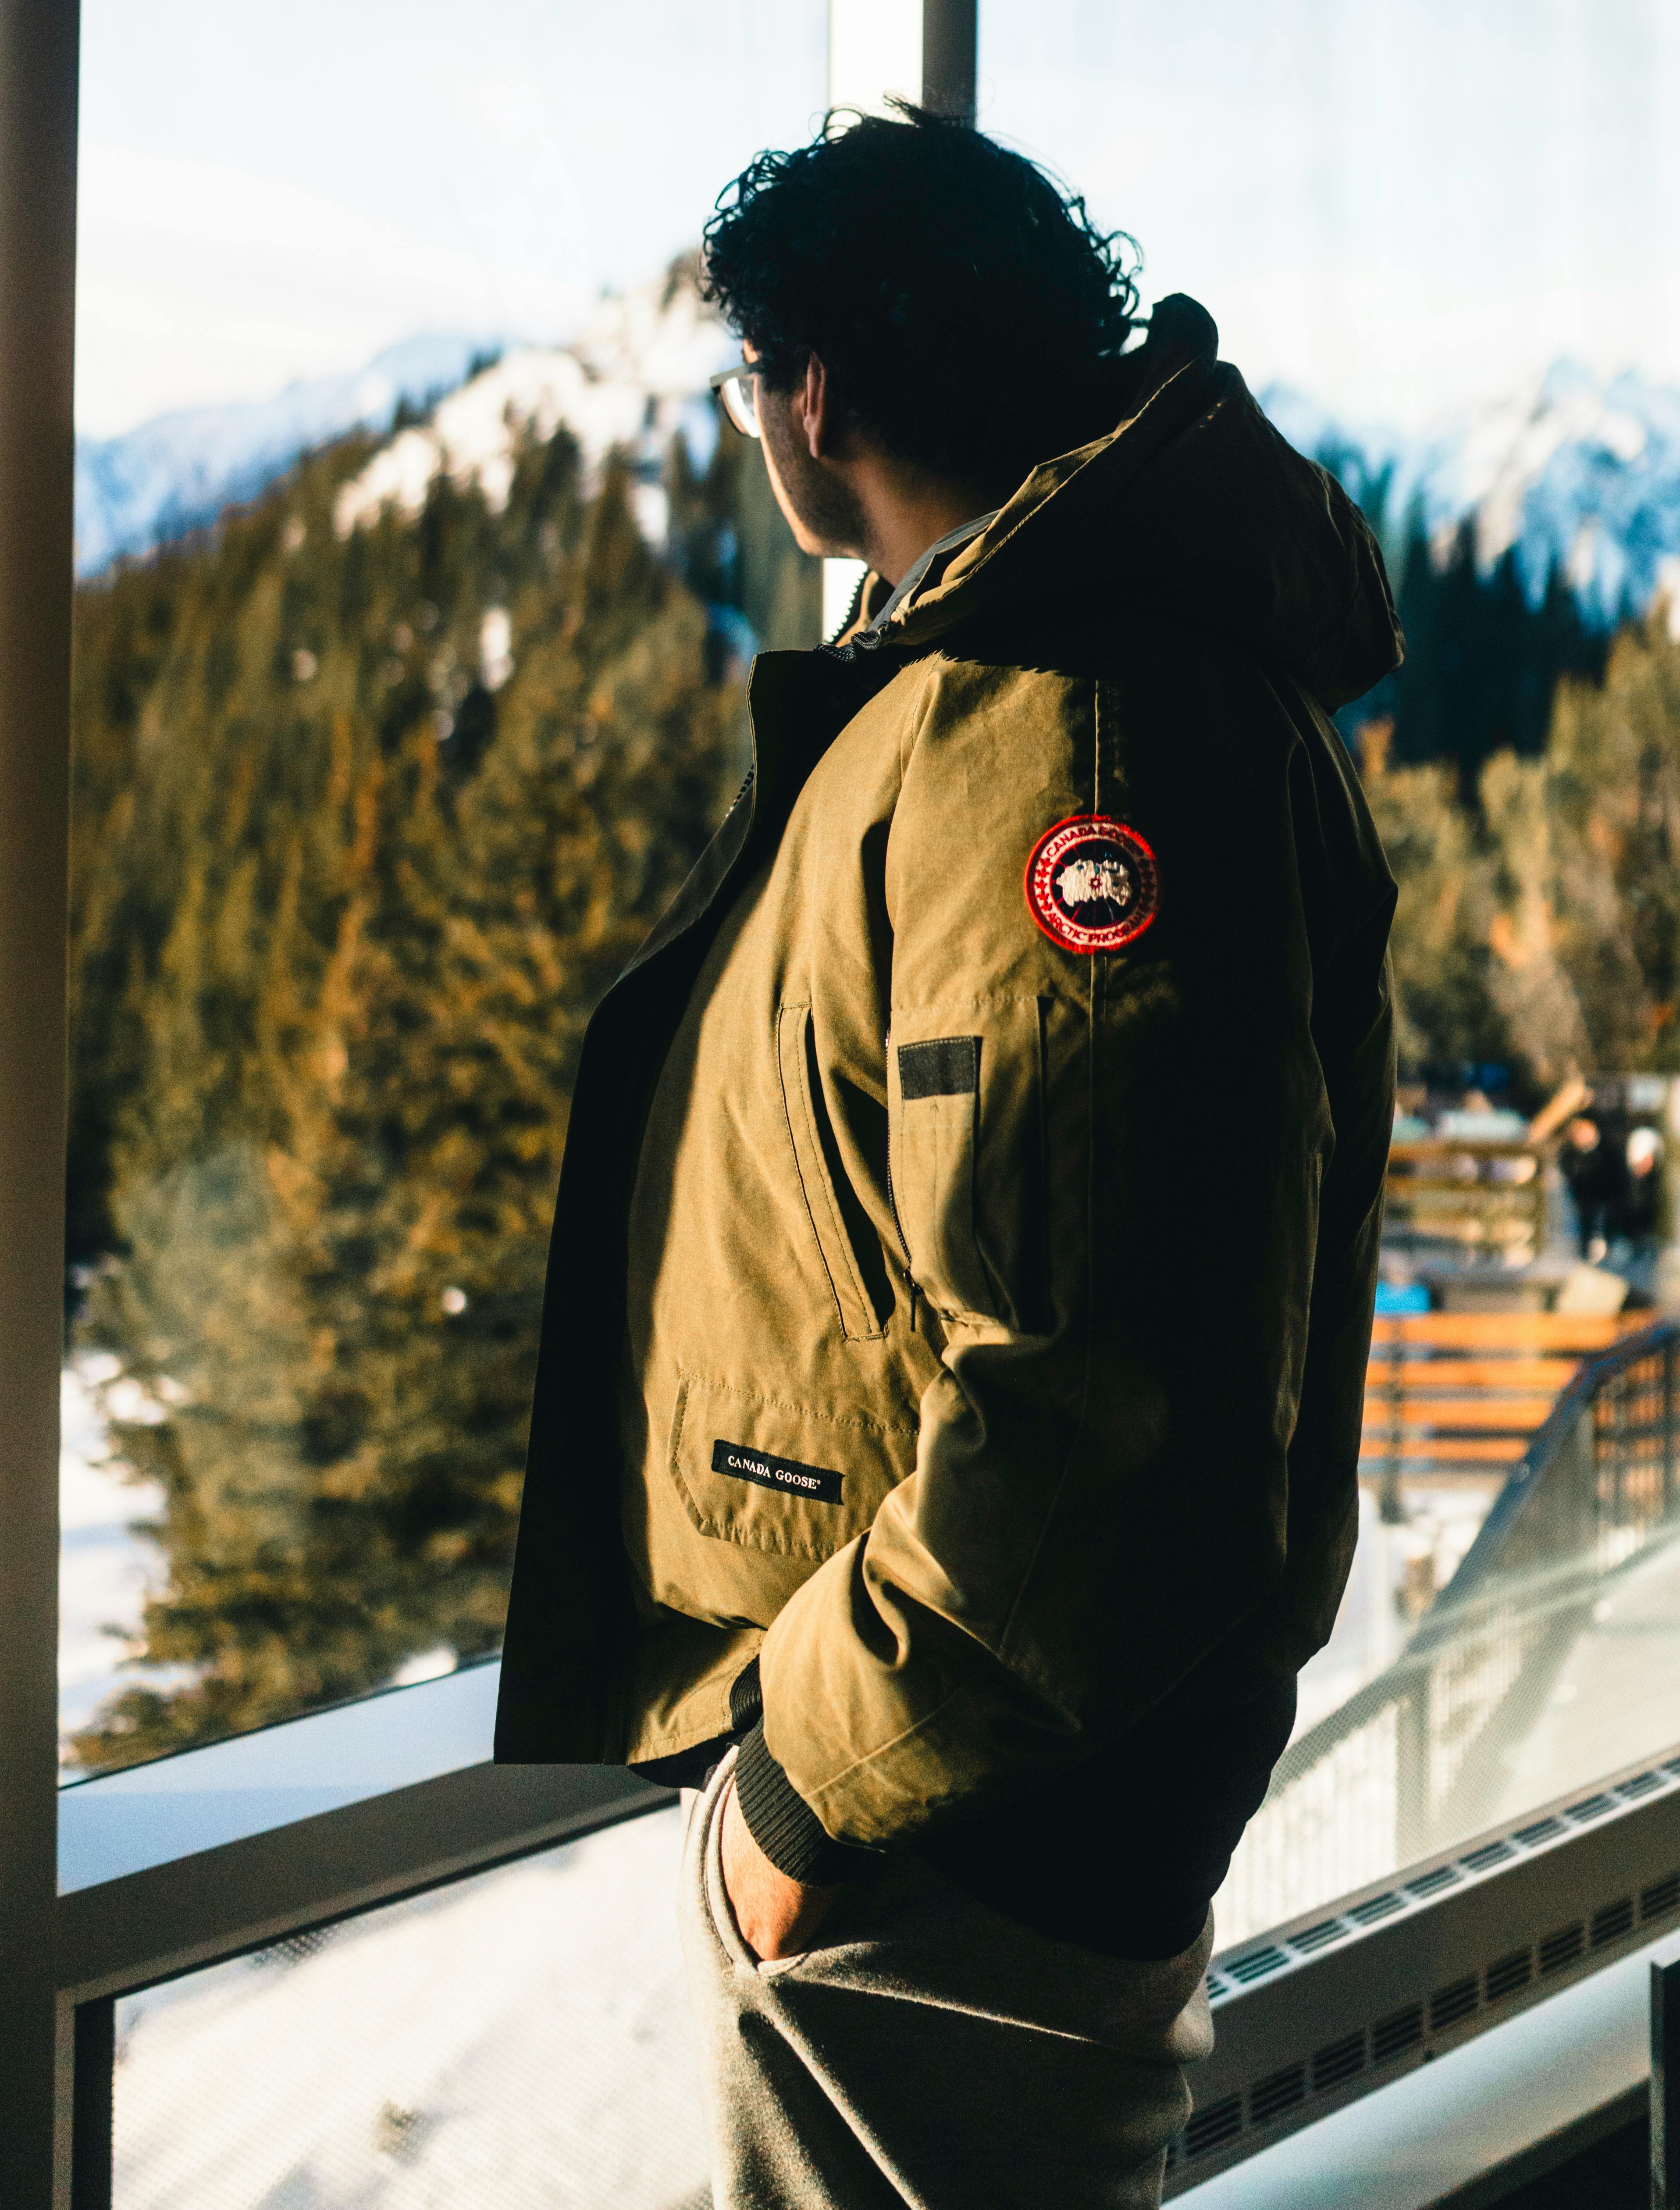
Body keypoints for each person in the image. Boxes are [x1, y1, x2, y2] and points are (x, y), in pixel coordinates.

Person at [495, 107, 1400, 2210]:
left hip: (959, 1805)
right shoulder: (1025, 664)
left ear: (817, 393)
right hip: (976, 1774)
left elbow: (1093, 1413)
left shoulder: (1061, 727)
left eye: (751, 382)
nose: (752, 425)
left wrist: (799, 1796)